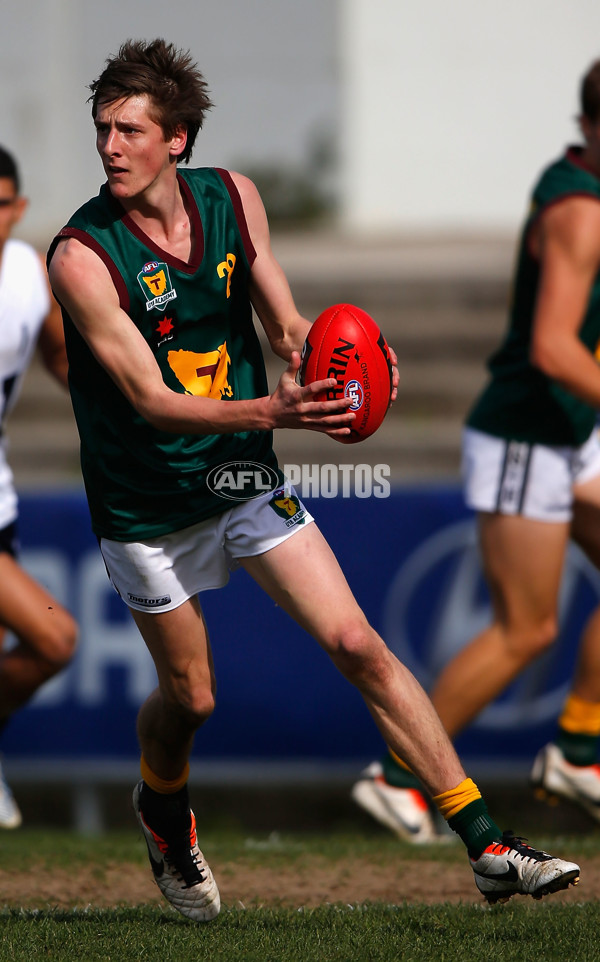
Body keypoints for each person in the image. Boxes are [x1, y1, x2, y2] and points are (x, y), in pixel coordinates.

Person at [47, 38, 579, 922]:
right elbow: (149, 399)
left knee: (356, 643)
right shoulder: (81, 254)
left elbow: (286, 318)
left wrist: (337, 367)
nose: (109, 145)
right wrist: (278, 413)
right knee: (193, 698)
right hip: (144, 503)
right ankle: (162, 809)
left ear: (177, 138)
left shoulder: (232, 198)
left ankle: (486, 844)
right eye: (102, 127)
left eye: (129, 128)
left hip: (242, 476)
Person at [353, 58, 600, 845]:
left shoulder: (579, 189)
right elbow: (554, 348)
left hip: (566, 432)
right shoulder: (580, 212)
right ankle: (398, 779)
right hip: (530, 434)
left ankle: (584, 750)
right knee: (524, 630)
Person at [0, 146, 78, 829]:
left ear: (18, 210)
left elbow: (57, 349)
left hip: (0, 500)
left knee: (52, 645)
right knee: (56, 639)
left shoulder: (27, 271)